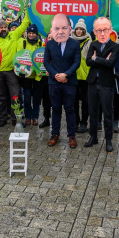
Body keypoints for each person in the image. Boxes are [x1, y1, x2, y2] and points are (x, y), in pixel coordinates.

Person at [44, 13, 81, 148]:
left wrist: (66, 75)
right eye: (57, 28)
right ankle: (55, 135)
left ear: (69, 29)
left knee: (70, 109)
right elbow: (46, 62)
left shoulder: (75, 44)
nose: (61, 31)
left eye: (64, 28)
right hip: (54, 82)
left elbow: (77, 63)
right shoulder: (50, 44)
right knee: (56, 109)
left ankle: (72, 136)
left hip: (69, 82)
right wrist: (55, 75)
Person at [84, 17, 119, 152]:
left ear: (110, 30)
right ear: (94, 31)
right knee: (92, 111)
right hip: (92, 82)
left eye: (105, 30)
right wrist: (102, 60)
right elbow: (88, 61)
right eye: (99, 30)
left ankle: (109, 140)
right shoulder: (92, 44)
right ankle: (93, 137)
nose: (102, 33)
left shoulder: (115, 46)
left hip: (106, 83)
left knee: (108, 112)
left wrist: (96, 59)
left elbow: (111, 64)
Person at [0, 11, 31, 127]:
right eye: (2, 27)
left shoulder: (13, 35)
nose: (4, 29)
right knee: (0, 97)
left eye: (5, 27)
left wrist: (28, 10)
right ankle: (2, 118)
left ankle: (17, 119)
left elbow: (25, 23)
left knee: (15, 96)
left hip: (11, 71)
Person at [16, 24, 45, 126]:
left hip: (38, 76)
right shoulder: (22, 43)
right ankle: (28, 116)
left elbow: (43, 59)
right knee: (27, 98)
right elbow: (19, 58)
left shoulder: (41, 44)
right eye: (30, 33)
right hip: (26, 76)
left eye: (33, 33)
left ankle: (35, 117)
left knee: (37, 99)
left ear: (36, 34)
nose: (31, 35)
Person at [71, 19, 92, 133]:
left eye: (81, 29)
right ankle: (75, 121)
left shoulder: (89, 41)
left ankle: (84, 123)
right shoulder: (71, 41)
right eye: (77, 29)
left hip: (85, 76)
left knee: (85, 101)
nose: (79, 31)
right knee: (73, 101)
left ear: (84, 31)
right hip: (73, 75)